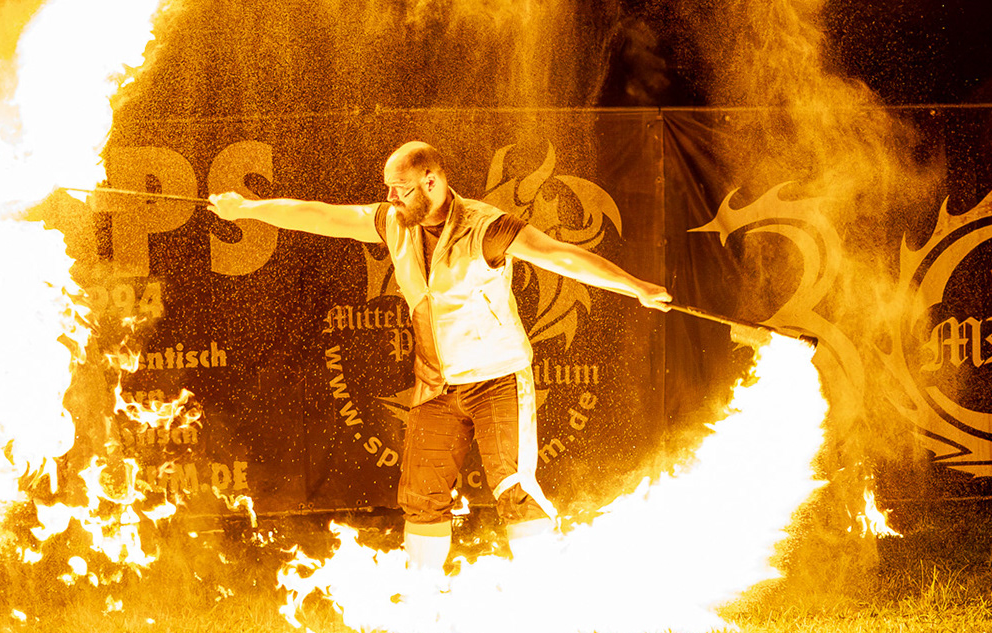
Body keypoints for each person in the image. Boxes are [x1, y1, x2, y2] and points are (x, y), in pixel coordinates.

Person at [209, 140, 670, 575]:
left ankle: (541, 591)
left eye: (400, 188)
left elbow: (561, 257)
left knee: (515, 489)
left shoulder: (487, 227)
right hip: (435, 385)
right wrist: (246, 209)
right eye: (388, 187)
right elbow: (318, 215)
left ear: (432, 182)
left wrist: (636, 287)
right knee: (421, 495)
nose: (390, 197)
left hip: (497, 379)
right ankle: (424, 599)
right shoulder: (393, 222)